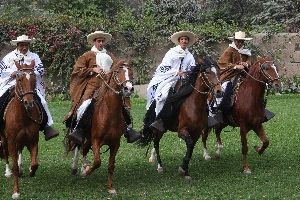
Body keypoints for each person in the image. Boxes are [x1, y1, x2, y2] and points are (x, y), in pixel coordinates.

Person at [64, 31, 141, 144]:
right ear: (94, 42)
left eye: (102, 41)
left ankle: (128, 129)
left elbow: (117, 69)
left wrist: (110, 71)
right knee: (84, 106)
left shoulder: (110, 56)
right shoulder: (87, 55)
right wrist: (92, 70)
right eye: (98, 41)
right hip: (93, 87)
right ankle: (78, 130)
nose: (101, 43)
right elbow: (77, 71)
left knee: (121, 106)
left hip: (108, 87)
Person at [0, 35, 59, 140]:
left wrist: (30, 73)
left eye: (26, 45)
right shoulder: (9, 57)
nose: (24, 47)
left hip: (29, 86)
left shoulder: (34, 57)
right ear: (17, 45)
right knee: (1, 99)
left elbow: (40, 71)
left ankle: (46, 126)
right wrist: (11, 73)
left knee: (43, 102)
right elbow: (1, 70)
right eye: (22, 45)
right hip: (11, 84)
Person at [146, 31, 196, 132]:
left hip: (185, 80)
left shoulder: (190, 56)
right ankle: (158, 119)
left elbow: (193, 68)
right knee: (163, 96)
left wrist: (186, 73)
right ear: (179, 41)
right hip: (170, 79)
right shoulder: (171, 52)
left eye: (186, 39)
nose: (184, 41)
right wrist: (176, 73)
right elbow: (164, 66)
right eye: (182, 39)